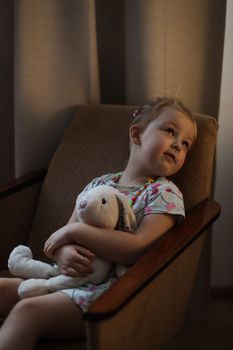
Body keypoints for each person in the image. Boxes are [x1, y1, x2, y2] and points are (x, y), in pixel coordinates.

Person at [0, 96, 197, 349]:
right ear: (137, 134)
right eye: (170, 131)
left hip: (109, 294)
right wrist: (65, 251)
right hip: (64, 277)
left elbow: (137, 246)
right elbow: (63, 238)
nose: (178, 145)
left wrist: (75, 231)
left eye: (186, 144)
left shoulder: (164, 194)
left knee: (28, 310)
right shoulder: (98, 184)